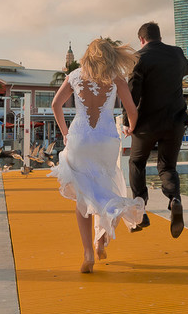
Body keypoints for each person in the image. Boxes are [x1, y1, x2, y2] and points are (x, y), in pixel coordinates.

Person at [50, 38, 146, 273]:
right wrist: (131, 128)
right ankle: (101, 241)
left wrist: (65, 132)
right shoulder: (116, 78)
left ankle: (88, 252)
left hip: (79, 138)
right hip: (106, 140)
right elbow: (132, 111)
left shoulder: (74, 76)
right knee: (106, 189)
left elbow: (55, 105)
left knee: (83, 196)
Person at [123, 21, 188, 238]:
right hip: (175, 121)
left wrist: (127, 122)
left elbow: (133, 93)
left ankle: (140, 208)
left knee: (137, 163)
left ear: (141, 39)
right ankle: (174, 199)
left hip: (146, 123)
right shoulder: (176, 53)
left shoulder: (138, 58)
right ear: (160, 37)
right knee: (167, 166)